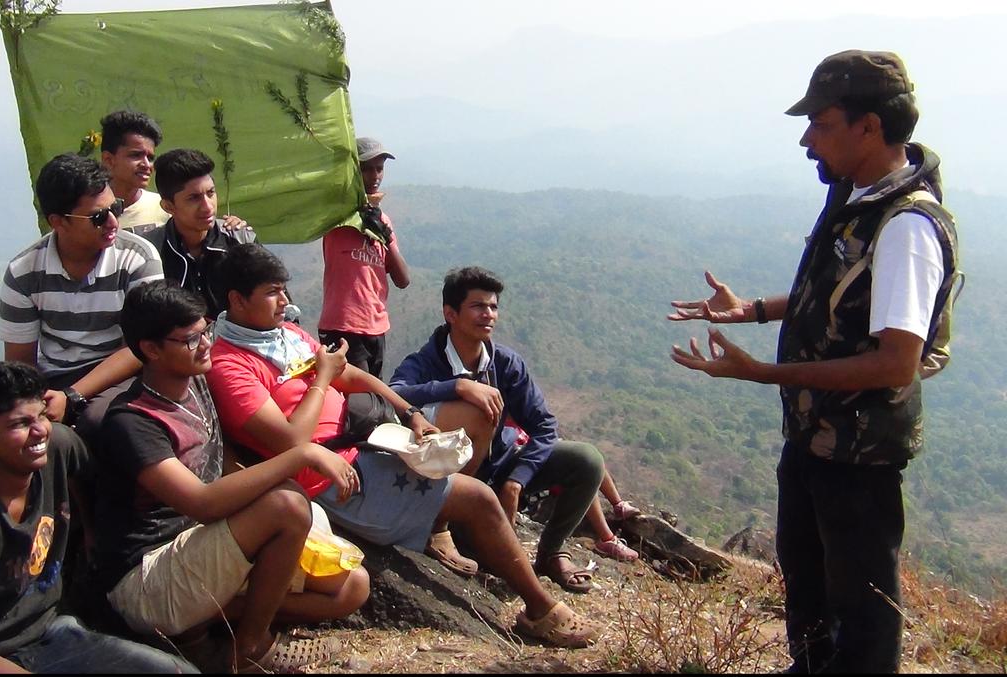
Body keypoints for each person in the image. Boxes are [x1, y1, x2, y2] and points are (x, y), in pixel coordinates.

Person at [668, 50, 958, 674]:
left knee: (860, 613)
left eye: (821, 123)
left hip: (857, 454)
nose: (806, 139)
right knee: (809, 589)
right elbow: (838, 298)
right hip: (816, 440)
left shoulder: (906, 228)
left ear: (870, 126)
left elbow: (894, 363)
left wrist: (763, 372)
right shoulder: (858, 198)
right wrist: (751, 310)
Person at [205, 244, 596, 649]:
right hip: (328, 477)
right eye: (273, 292)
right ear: (237, 299)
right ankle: (540, 610)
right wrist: (322, 378)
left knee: (465, 485)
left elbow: (353, 377)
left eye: (284, 290)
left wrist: (409, 413)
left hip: (366, 442)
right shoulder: (231, 364)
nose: (285, 301)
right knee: (477, 499)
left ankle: (507, 580)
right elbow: (290, 442)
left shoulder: (285, 336)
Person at [94, 281, 368, 672]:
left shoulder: (195, 384)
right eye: (190, 339)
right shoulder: (134, 421)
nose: (205, 343)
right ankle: (250, 649)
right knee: (287, 505)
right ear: (151, 349)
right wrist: (301, 455)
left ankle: (206, 624)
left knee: (351, 586)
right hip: (147, 579)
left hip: (199, 550)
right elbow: (200, 503)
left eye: (205, 330)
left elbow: (222, 465)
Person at [0, 361, 194, 673]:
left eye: (40, 417)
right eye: (19, 424)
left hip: (46, 636)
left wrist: (90, 528)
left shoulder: (56, 448)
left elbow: (86, 477)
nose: (39, 431)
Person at [390, 267, 637, 593]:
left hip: (502, 469)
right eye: (478, 306)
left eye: (493, 306)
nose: (489, 314)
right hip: (455, 485)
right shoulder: (426, 361)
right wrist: (458, 387)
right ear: (450, 313)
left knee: (586, 460)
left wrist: (516, 480)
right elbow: (394, 392)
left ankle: (550, 553)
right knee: (491, 563)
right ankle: (449, 529)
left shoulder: (505, 363)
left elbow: (544, 425)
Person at [0, 152, 163, 433]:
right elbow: (20, 361)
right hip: (55, 380)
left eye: (116, 208)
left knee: (97, 422)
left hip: (121, 375)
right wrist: (35, 404)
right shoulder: (24, 272)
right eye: (99, 217)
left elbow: (140, 348)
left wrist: (72, 396)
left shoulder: (138, 259)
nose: (113, 222)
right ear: (58, 222)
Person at [317, 136, 411, 379]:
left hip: (375, 326)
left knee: (373, 399)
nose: (375, 176)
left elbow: (403, 279)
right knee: (360, 404)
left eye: (379, 169)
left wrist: (384, 231)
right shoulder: (337, 217)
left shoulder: (382, 221)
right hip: (342, 326)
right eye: (366, 169)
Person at [144, 148, 267, 320]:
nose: (208, 206)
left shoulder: (240, 241)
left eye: (211, 193)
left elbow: (278, 302)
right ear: (168, 207)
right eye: (193, 198)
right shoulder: (150, 252)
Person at [99, 110, 168, 232]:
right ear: (108, 160)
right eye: (136, 155)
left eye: (150, 158)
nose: (147, 165)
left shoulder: (165, 209)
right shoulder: (89, 213)